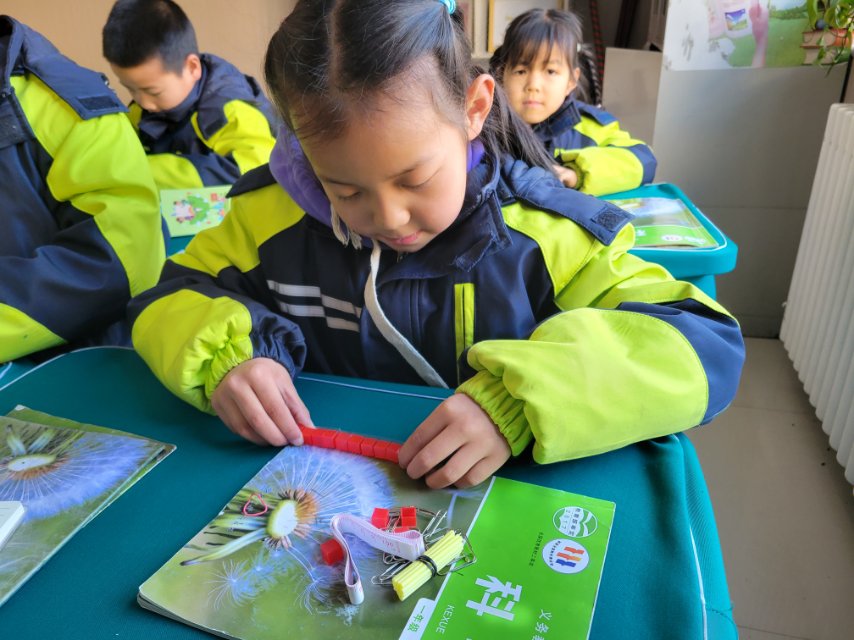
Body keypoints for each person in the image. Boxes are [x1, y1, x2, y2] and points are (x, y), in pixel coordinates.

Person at [129, 0, 744, 489]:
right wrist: (227, 360)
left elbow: (701, 340)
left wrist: (519, 401)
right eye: (343, 189)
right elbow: (168, 296)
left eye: (415, 178)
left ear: (474, 108)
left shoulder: (541, 234)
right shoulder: (266, 219)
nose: (388, 216)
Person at [0, 15, 165, 364]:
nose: (143, 104)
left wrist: (157, 169)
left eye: (151, 91)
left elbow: (123, 262)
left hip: (71, 366)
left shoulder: (69, 105)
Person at [102, 0, 278, 191]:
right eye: (130, 89)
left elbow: (255, 168)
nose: (143, 102)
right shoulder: (141, 109)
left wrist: (146, 170)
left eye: (153, 91)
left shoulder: (230, 109)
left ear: (192, 68)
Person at [490, 8, 656, 196]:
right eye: (521, 71)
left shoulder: (590, 128)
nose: (533, 85)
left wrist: (578, 172)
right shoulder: (485, 127)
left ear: (571, 81)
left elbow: (644, 161)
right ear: (502, 75)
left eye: (550, 71)